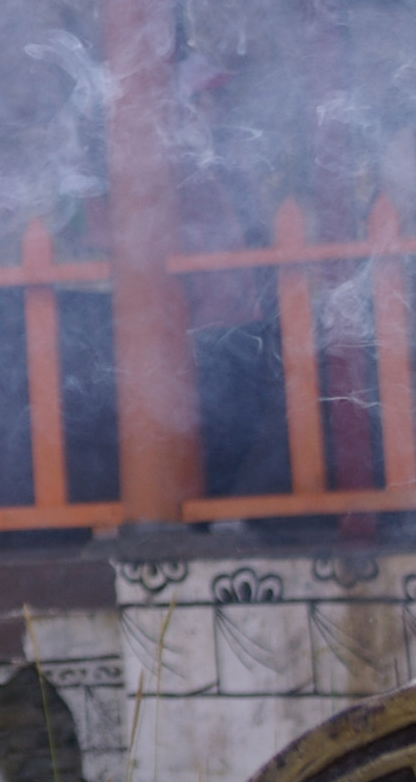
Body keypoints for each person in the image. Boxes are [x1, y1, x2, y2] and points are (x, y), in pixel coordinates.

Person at [176, 52, 291, 500]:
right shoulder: (177, 164)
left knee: (246, 415)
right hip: (207, 315)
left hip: (247, 308)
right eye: (211, 97)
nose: (221, 106)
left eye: (222, 96)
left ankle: (226, 506)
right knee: (220, 417)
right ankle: (212, 510)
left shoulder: (229, 159)